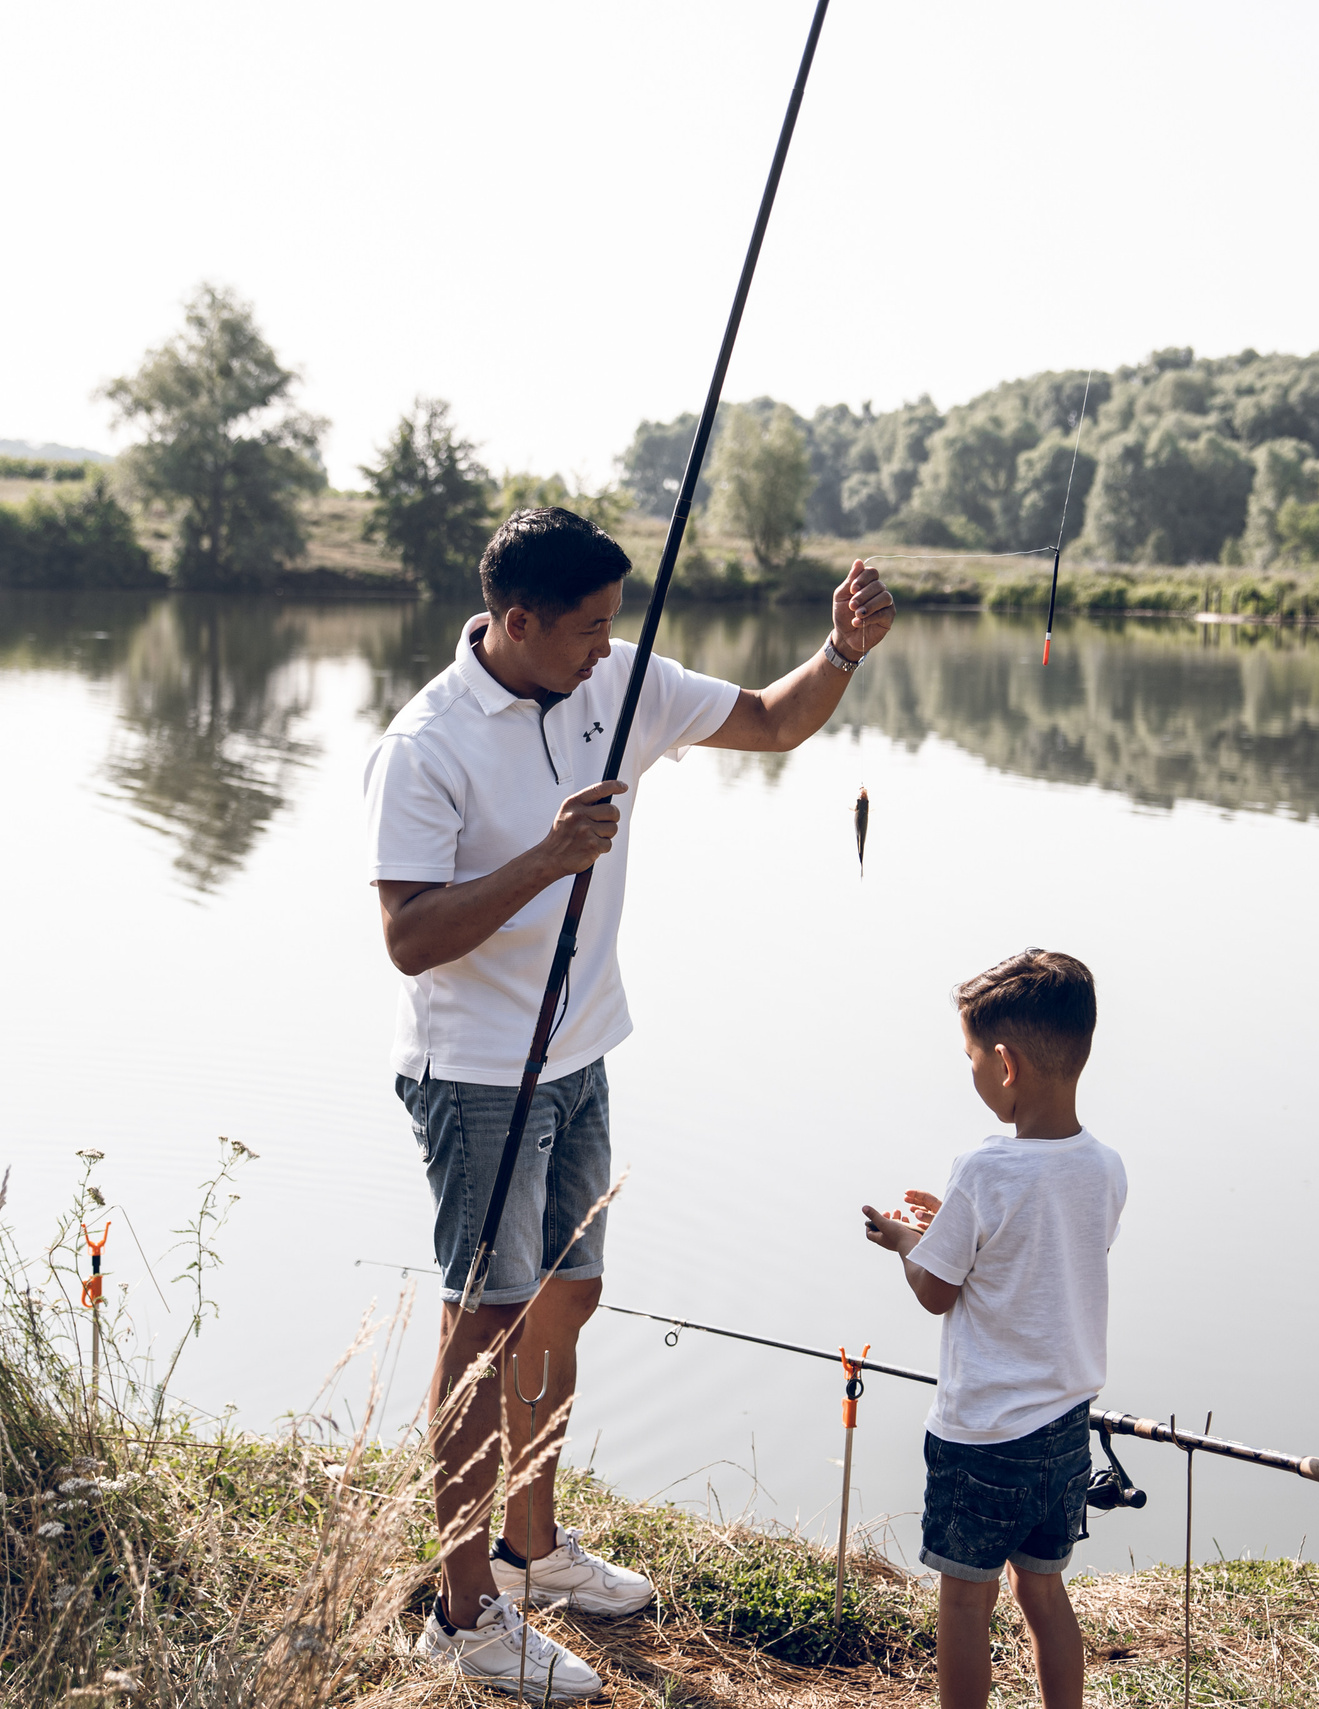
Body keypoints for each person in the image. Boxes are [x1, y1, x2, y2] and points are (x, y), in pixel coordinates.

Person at [366, 507, 894, 1694]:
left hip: (579, 1050)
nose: (609, 646)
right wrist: (547, 858)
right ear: (514, 621)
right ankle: (463, 1615)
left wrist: (844, 652)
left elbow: (769, 720)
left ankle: (531, 1546)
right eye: (588, 628)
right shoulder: (425, 743)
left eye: (615, 622)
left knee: (567, 1297)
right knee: (481, 1330)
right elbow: (407, 937)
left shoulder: (621, 678)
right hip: (476, 1074)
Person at [861, 950, 1125, 1709]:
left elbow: (937, 1293)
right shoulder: (1107, 1167)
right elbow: (1042, 1257)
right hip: (1064, 1430)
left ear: (1005, 1063)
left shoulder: (982, 1169)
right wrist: (961, 1233)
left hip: (982, 1438)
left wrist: (914, 1242)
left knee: (965, 1602)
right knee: (1043, 1590)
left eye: (971, 1057)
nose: (970, 1070)